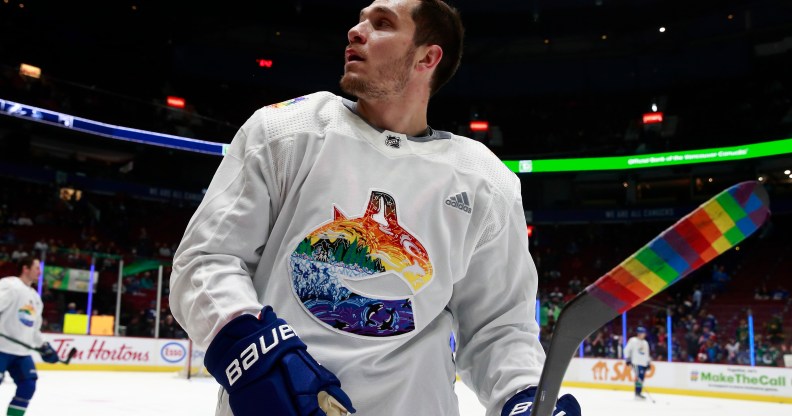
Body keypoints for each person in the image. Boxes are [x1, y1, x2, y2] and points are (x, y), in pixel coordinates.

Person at [169, 1, 580, 416]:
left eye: (381, 23)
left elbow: (500, 327)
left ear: (427, 57)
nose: (355, 30)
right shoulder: (286, 132)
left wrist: (524, 395)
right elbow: (205, 261)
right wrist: (257, 355)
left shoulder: (484, 181)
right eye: (360, 19)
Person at [0, 256, 60, 416]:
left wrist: (44, 346)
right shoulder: (10, 286)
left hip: (21, 353)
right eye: (36, 268)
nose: (40, 272)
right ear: (25, 268)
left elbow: (34, 329)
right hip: (1, 349)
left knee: (28, 386)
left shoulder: (35, 297)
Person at [624, 326, 651, 400]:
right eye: (643, 333)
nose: (644, 334)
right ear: (639, 333)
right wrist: (628, 359)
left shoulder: (645, 343)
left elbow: (647, 354)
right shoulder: (633, 340)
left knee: (641, 378)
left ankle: (639, 393)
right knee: (639, 377)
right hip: (636, 362)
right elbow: (627, 350)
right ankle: (637, 393)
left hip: (643, 363)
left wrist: (648, 362)